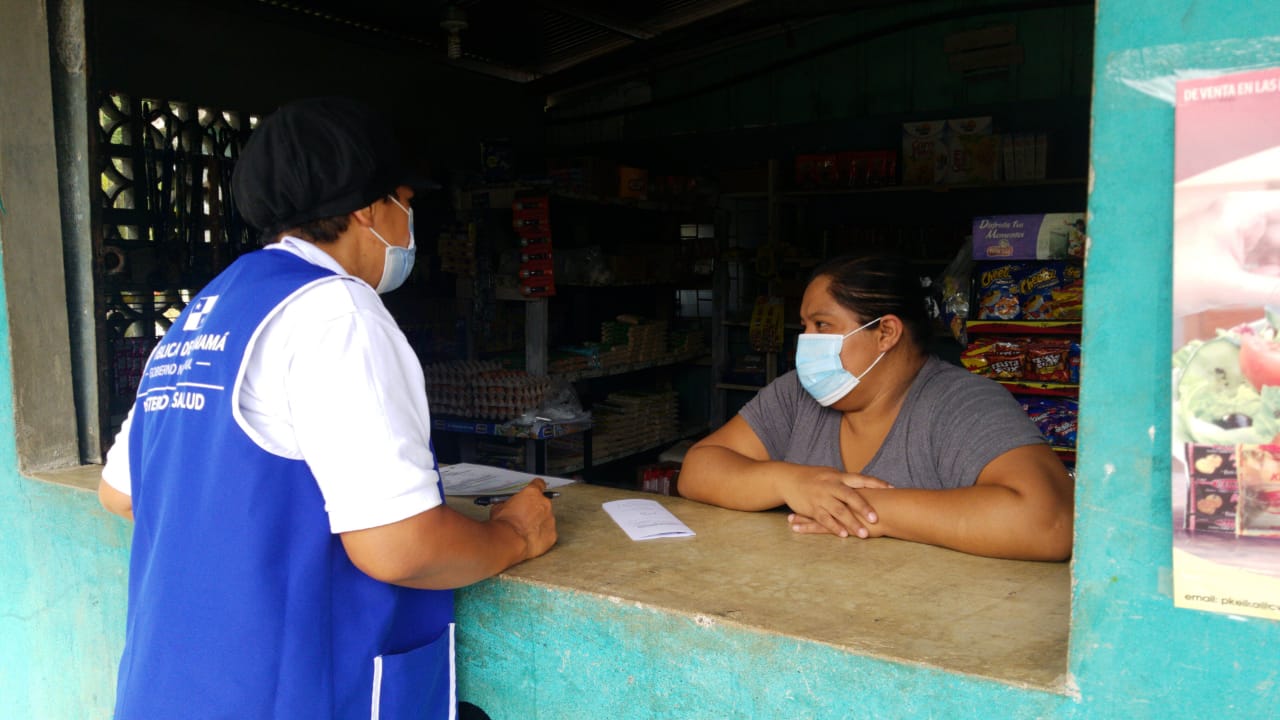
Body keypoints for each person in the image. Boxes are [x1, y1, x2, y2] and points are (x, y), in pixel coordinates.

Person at [96, 96, 556, 719]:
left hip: (171, 688)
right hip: (287, 696)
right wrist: (512, 536)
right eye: (406, 202)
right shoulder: (338, 310)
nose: (409, 225)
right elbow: (400, 546)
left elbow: (121, 493)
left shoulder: (207, 310)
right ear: (368, 208)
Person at [679, 254, 1073, 561]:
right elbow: (698, 469)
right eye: (805, 327)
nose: (806, 340)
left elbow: (1049, 522)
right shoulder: (796, 396)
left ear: (886, 332)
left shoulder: (962, 403)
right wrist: (790, 482)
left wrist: (859, 509)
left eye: (821, 325)